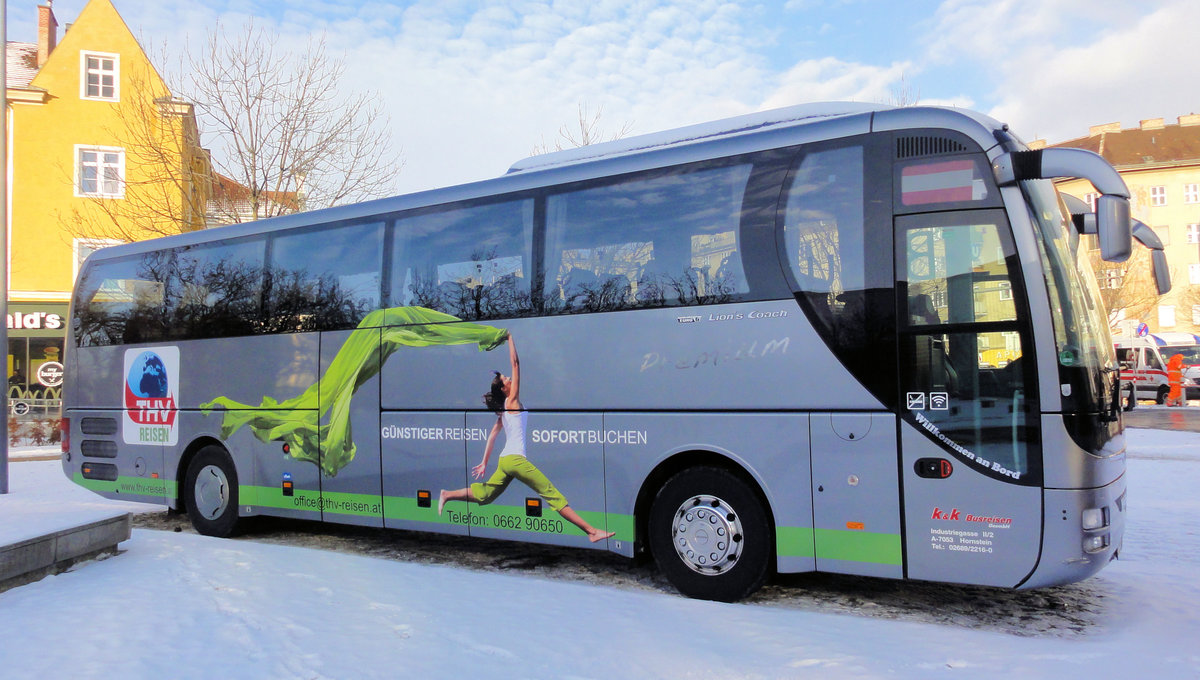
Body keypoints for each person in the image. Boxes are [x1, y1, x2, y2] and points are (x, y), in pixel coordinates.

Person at [438, 333, 615, 543]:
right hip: (515, 460)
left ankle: (447, 494)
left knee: (486, 495)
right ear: (505, 390)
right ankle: (591, 532)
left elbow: (492, 436)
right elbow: (516, 363)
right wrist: (510, 338)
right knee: (551, 494)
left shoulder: (504, 410)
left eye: (508, 377)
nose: (510, 379)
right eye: (506, 380)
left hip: (505, 461)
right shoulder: (511, 401)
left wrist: (485, 462)